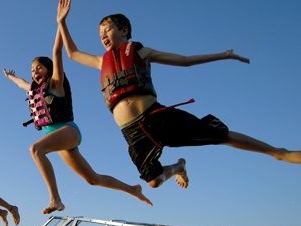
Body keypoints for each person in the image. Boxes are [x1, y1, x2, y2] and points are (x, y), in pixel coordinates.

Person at [56, 0, 301, 189]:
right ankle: (178, 167)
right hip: (131, 131)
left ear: (124, 30)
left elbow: (185, 61)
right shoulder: (102, 61)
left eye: (107, 29)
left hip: (156, 117)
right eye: (100, 33)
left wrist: (223, 55)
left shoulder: (141, 52)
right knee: (152, 181)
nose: (102, 35)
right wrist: (62, 23)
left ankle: (278, 152)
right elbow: (73, 53)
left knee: (218, 135)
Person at [3, 26, 152, 214]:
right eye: (32, 70)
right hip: (60, 141)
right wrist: (10, 76)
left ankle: (55, 199)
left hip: (68, 131)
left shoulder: (56, 85)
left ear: (49, 69)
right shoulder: (34, 89)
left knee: (36, 149)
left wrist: (60, 22)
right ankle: (133, 189)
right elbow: (21, 83)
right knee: (92, 179)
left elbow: (57, 51)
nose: (34, 72)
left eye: (38, 67)